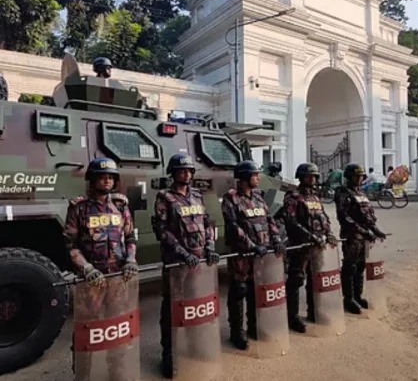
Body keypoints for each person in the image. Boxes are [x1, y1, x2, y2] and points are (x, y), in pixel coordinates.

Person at [63, 157, 138, 379]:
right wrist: (86, 268)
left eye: (110, 178)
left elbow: (130, 237)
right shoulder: (79, 208)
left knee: (117, 326)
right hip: (91, 281)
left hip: (117, 278)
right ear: (92, 180)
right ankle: (83, 374)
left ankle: (117, 372)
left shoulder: (120, 206)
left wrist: (131, 260)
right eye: (102, 177)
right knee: (87, 329)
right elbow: (70, 245)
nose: (107, 181)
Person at [152, 153, 219, 379]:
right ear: (173, 173)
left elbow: (206, 224)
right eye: (182, 171)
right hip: (176, 264)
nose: (186, 174)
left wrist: (210, 247)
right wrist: (183, 253)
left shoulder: (197, 196)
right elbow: (163, 231)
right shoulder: (165, 197)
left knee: (195, 306)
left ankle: (193, 348)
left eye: (189, 171)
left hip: (199, 262)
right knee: (172, 309)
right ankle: (169, 355)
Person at [221, 160, 283, 350]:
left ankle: (254, 326)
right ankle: (237, 332)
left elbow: (269, 219)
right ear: (245, 177)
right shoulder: (231, 198)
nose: (257, 178)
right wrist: (252, 245)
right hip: (241, 253)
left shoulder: (258, 197)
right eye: (254, 175)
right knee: (239, 289)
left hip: (260, 251)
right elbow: (233, 227)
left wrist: (276, 239)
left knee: (255, 288)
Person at [281, 163, 338, 333]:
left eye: (314, 176)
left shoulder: (315, 197)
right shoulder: (293, 196)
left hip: (317, 245)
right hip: (300, 245)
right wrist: (310, 236)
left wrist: (329, 233)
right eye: (309, 176)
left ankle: (313, 311)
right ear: (301, 177)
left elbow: (323, 217)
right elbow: (291, 221)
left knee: (315, 279)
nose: (312, 179)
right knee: (296, 280)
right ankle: (292, 317)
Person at [334, 163, 387, 315]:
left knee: (360, 266)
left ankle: (358, 295)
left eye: (361, 176)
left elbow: (368, 215)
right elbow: (344, 217)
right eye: (356, 176)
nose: (359, 179)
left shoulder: (361, 193)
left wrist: (375, 230)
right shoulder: (343, 192)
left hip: (364, 236)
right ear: (349, 177)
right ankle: (348, 298)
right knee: (349, 267)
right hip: (352, 235)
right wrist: (363, 231)